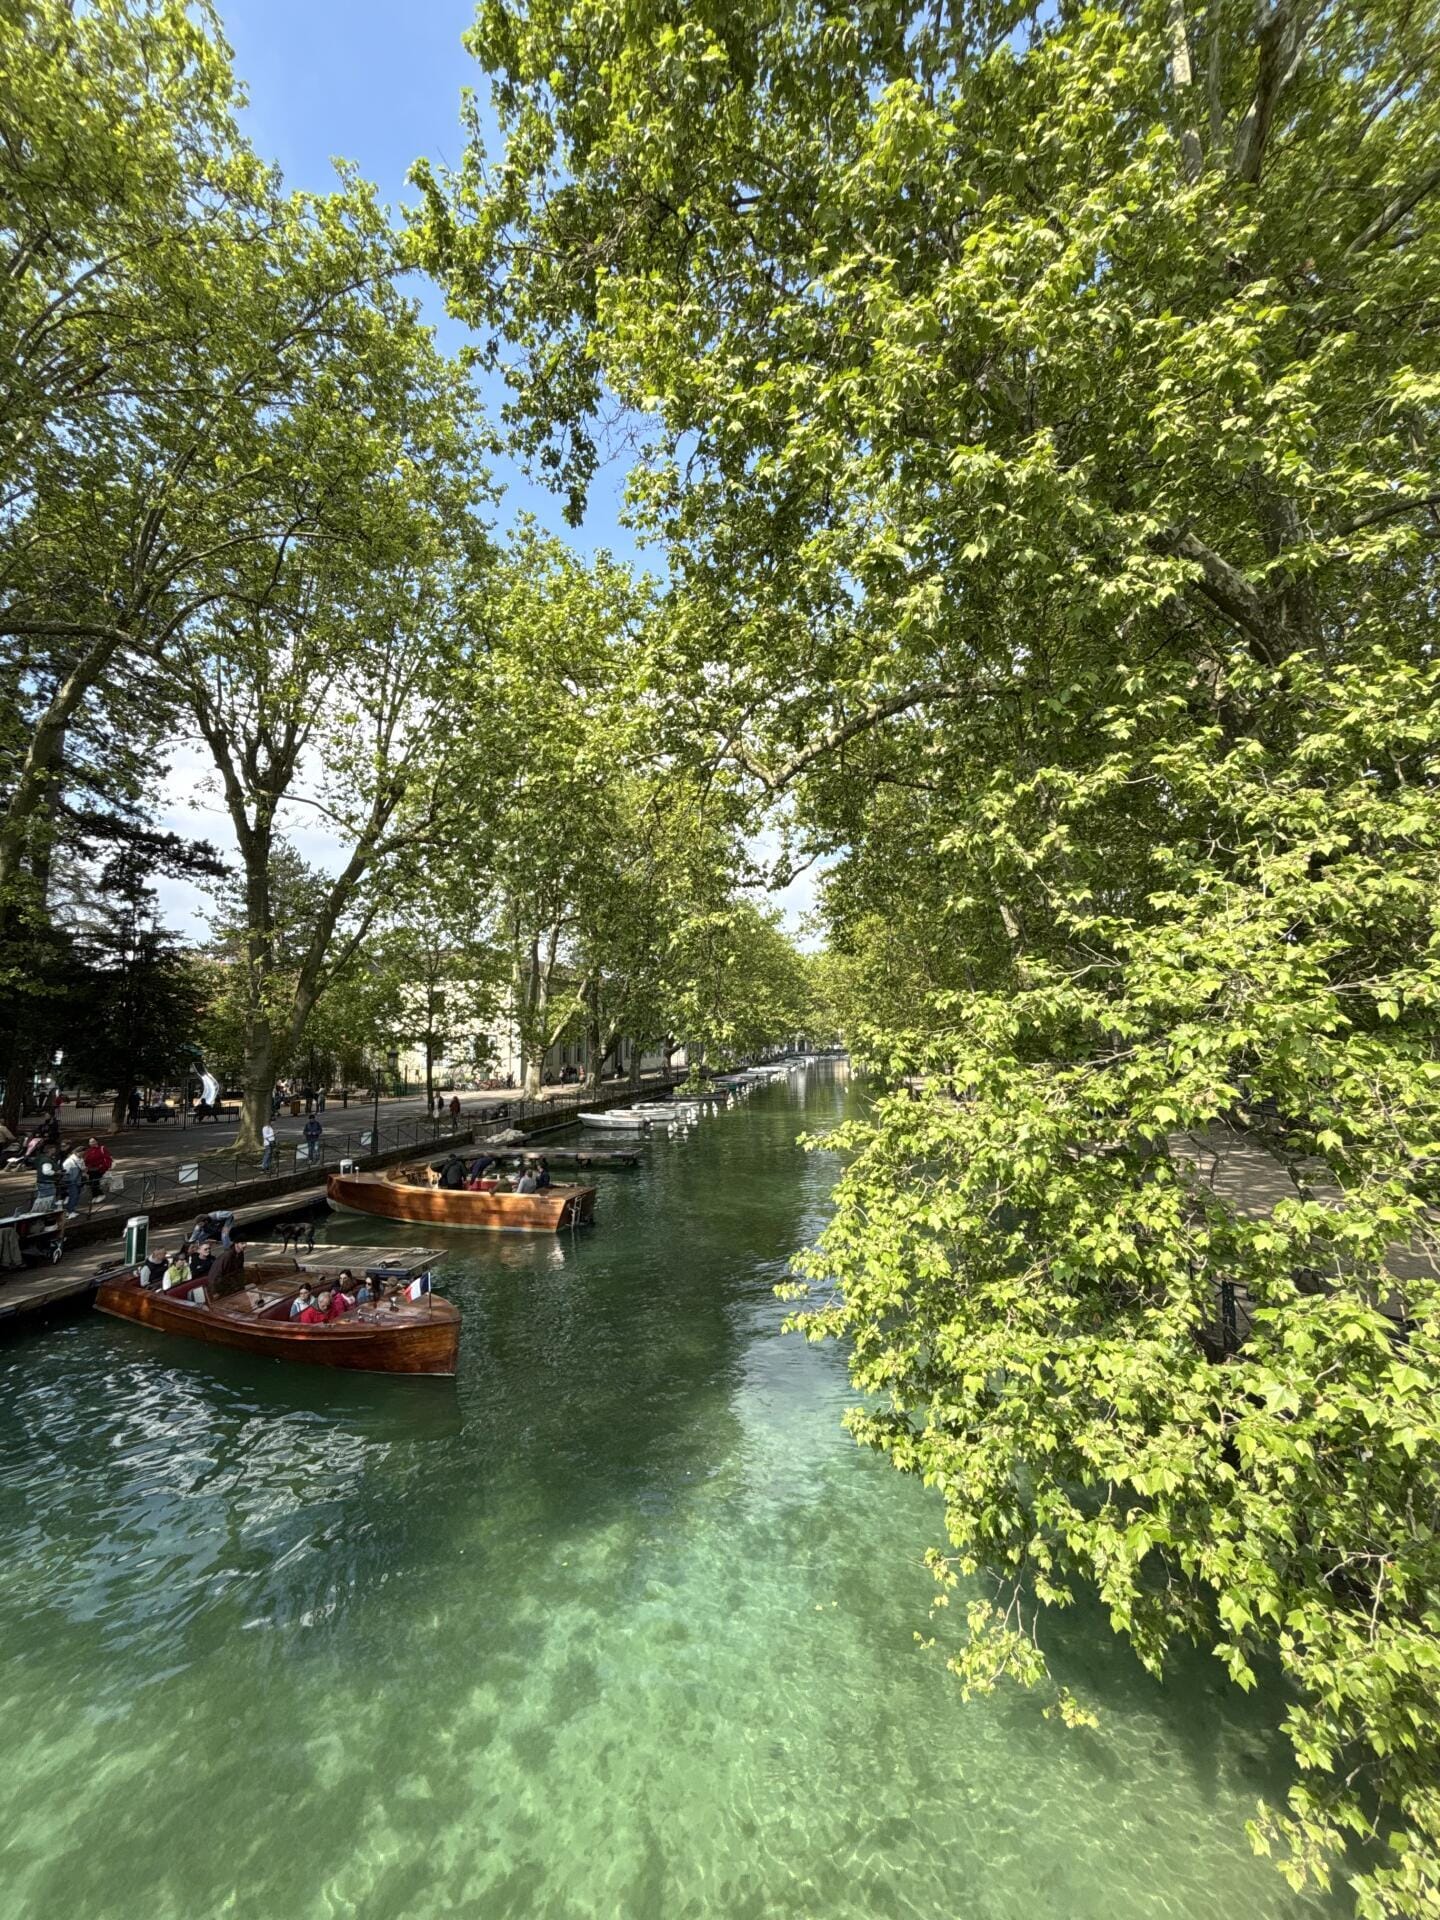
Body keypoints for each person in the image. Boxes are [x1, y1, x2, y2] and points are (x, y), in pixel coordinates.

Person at [61, 1147, 87, 1216]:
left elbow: (83, 1168)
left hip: (78, 1180)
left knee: (76, 1195)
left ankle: (71, 1209)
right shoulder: (69, 1161)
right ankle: (69, 1211)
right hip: (72, 1181)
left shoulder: (80, 1159)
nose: (83, 1154)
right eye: (82, 1153)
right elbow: (65, 1171)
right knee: (74, 1195)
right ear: (77, 1152)